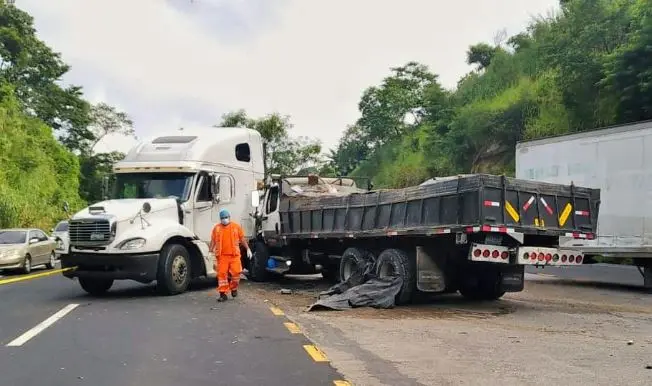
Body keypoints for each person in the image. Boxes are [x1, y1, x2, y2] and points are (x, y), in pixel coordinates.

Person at [209, 208, 253, 302]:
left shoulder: (236, 227)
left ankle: (233, 288)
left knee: (237, 273)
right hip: (222, 256)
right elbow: (213, 240)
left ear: (229, 217)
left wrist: (248, 249)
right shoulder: (216, 228)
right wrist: (210, 251)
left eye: (226, 217)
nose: (224, 219)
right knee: (222, 275)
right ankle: (223, 294)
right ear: (220, 219)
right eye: (222, 218)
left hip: (234, 256)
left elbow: (242, 239)